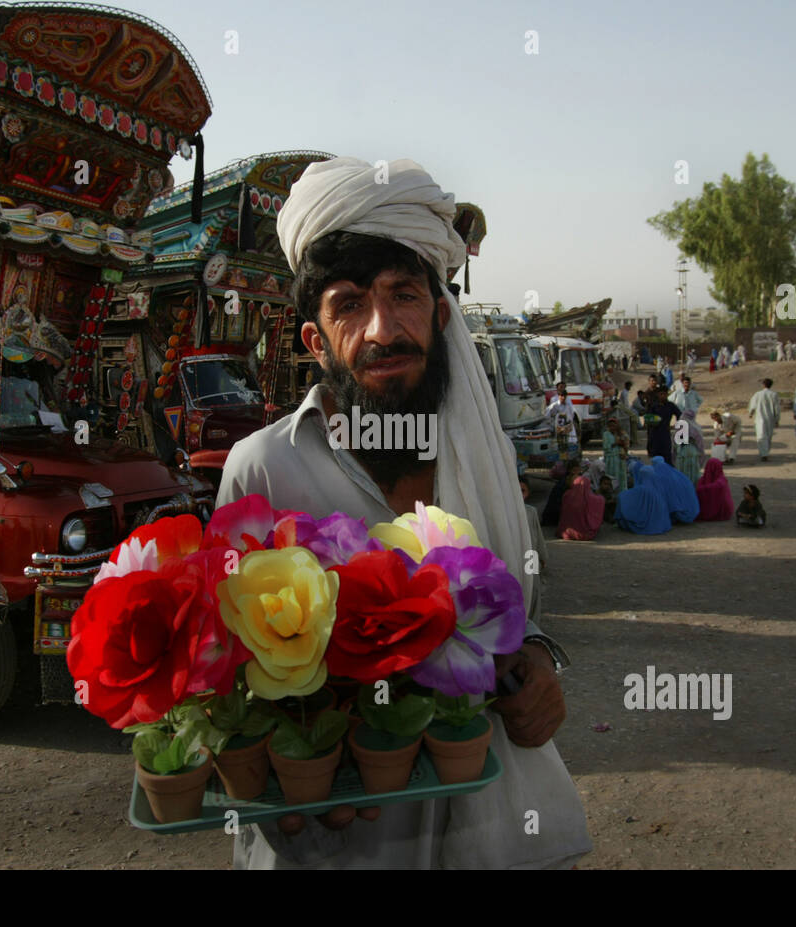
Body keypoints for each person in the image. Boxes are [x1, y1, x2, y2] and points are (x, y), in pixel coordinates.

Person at [218, 157, 590, 869]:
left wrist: (537, 655)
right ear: (314, 339)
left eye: (404, 295)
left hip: (492, 831)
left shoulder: (481, 456)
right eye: (350, 304)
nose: (384, 329)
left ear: (440, 312)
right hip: (333, 843)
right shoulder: (263, 470)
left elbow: (512, 604)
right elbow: (231, 673)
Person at [614, 462, 672, 534]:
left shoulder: (641, 489)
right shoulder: (658, 489)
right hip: (660, 524)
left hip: (645, 525)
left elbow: (623, 497)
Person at [558, 474, 605, 541]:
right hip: (584, 534)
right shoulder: (591, 499)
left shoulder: (566, 495)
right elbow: (600, 500)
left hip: (566, 532)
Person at [643, 384, 680, 464]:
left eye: (665, 394)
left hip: (665, 435)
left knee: (667, 459)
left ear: (667, 395)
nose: (663, 396)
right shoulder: (653, 406)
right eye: (661, 394)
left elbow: (680, 415)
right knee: (656, 460)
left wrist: (676, 426)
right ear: (658, 394)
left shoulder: (671, 406)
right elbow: (647, 420)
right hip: (654, 435)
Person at [545, 379, 579, 464]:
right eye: (560, 387)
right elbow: (548, 414)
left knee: (569, 442)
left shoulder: (568, 402)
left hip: (567, 427)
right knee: (559, 444)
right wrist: (552, 423)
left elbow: (571, 414)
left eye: (563, 387)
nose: (563, 398)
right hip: (558, 427)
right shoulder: (554, 402)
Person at [747, 378, 781, 461]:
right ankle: (766, 452)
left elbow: (753, 405)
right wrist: (777, 420)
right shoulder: (774, 394)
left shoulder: (758, 394)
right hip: (770, 419)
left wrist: (751, 413)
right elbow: (777, 409)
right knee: (768, 436)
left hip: (759, 418)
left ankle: (763, 454)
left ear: (763, 385)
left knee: (761, 436)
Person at [673, 407, 705, 483]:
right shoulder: (696, 428)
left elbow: (675, 443)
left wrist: (674, 455)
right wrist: (701, 457)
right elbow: (700, 445)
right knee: (693, 474)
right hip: (693, 452)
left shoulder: (679, 427)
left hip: (682, 452)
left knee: (683, 473)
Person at [601, 416, 629, 493]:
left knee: (621, 477)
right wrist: (616, 443)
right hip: (611, 459)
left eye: (614, 426)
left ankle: (622, 492)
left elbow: (626, 443)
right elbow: (606, 447)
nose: (612, 428)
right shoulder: (606, 434)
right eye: (610, 426)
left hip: (620, 458)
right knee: (612, 476)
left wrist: (623, 445)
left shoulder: (621, 433)